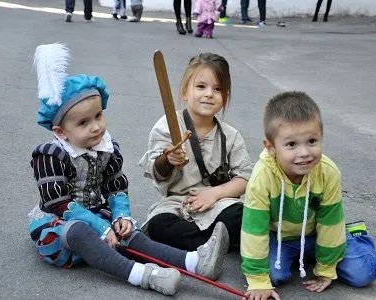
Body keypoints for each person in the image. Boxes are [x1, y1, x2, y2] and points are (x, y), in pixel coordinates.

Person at [28, 43, 230, 297]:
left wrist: (119, 217)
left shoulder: (107, 148)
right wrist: (101, 229)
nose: (95, 127)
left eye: (98, 116)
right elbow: (59, 204)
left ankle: (194, 261)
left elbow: (115, 187)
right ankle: (142, 275)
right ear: (60, 132)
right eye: (83, 122)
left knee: (128, 230)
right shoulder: (50, 155)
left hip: (95, 218)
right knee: (80, 230)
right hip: (61, 228)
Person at [241, 91, 376, 300]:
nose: (304, 153)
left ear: (321, 136)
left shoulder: (328, 172)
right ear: (270, 147)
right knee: (273, 276)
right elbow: (254, 230)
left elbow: (329, 224)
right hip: (281, 238)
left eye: (312, 141)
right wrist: (258, 281)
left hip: (318, 233)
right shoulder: (261, 177)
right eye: (291, 144)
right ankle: (300, 256)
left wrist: (326, 270)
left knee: (362, 274)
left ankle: (357, 236)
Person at [139, 53, 252, 252]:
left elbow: (244, 178)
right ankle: (211, 244)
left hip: (218, 204)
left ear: (225, 97)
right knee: (159, 225)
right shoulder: (167, 126)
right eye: (201, 87)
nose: (209, 94)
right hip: (177, 204)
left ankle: (203, 243)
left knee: (242, 214)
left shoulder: (231, 135)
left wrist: (215, 193)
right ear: (184, 92)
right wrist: (169, 159)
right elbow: (156, 170)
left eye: (217, 89)